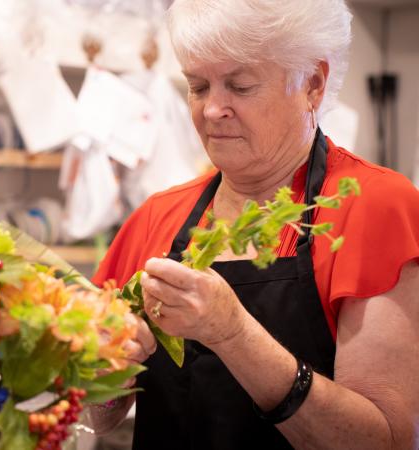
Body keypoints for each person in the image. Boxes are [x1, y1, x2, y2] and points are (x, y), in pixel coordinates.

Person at [89, 1, 419, 448]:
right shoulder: (158, 216)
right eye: (199, 86)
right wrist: (104, 372)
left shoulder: (377, 207)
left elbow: (386, 441)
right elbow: (103, 415)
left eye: (240, 86)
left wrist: (233, 334)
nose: (212, 110)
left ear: (313, 84)